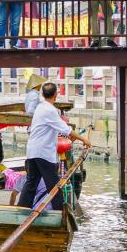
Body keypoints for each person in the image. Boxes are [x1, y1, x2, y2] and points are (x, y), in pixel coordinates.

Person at [17, 82, 91, 211]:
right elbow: (66, 129)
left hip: (33, 151)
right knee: (54, 185)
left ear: (43, 94)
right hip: (43, 153)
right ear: (56, 95)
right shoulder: (49, 110)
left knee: (31, 184)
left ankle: (21, 210)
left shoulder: (40, 107)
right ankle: (61, 213)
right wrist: (84, 139)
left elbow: (59, 129)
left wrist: (71, 136)